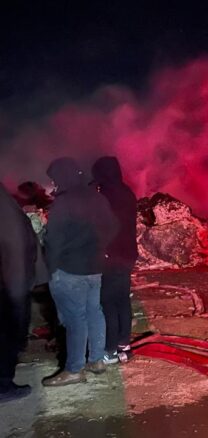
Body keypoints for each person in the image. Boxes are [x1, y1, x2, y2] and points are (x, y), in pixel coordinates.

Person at [42, 157, 117, 386]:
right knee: (94, 312)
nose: (54, 184)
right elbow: (113, 226)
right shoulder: (97, 197)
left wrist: (50, 269)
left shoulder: (64, 203)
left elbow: (53, 241)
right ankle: (97, 360)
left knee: (76, 319)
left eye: (54, 179)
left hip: (69, 270)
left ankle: (74, 369)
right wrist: (98, 246)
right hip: (94, 268)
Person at [92, 157, 138, 364]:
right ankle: (124, 345)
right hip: (127, 254)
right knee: (122, 300)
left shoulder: (105, 197)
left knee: (108, 302)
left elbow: (101, 228)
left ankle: (109, 349)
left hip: (110, 256)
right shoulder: (127, 192)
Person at [0, 184, 38, 403]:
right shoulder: (7, 210)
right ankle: (4, 384)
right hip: (10, 284)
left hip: (9, 282)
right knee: (7, 334)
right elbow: (18, 246)